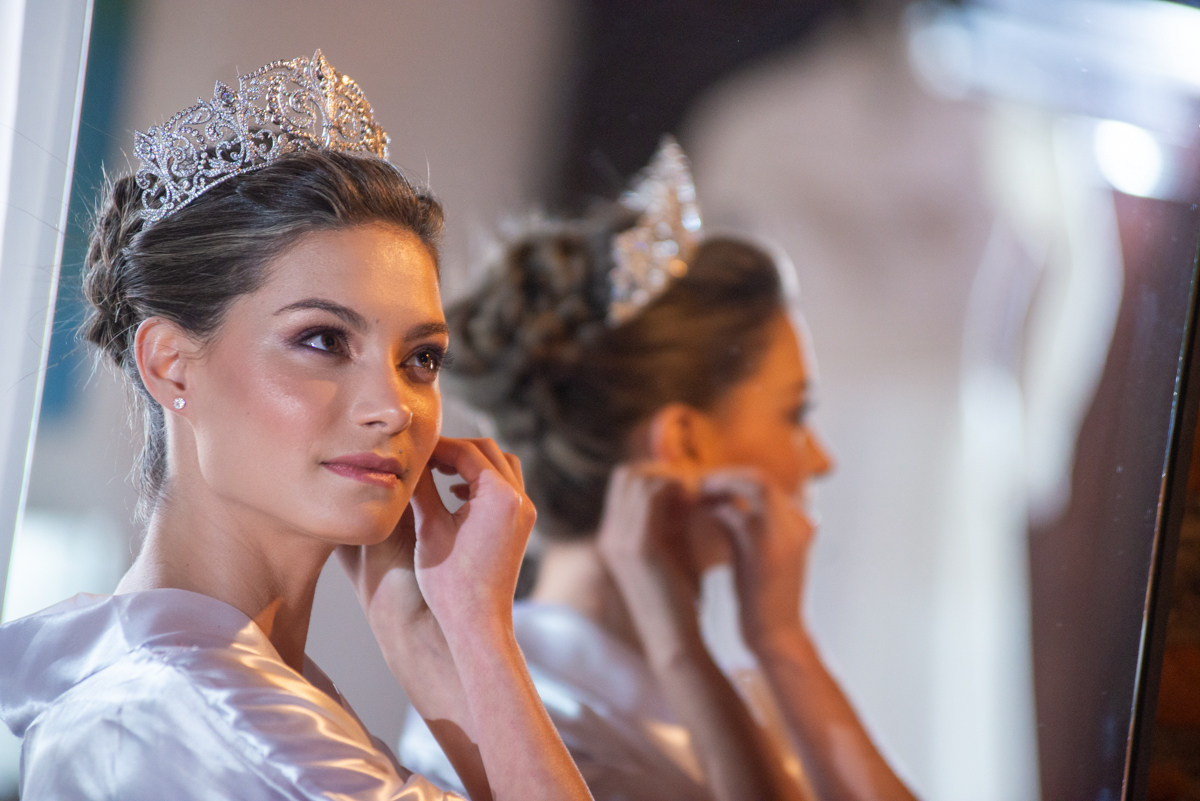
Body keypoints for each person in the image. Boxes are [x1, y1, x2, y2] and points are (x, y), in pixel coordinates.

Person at [0, 51, 593, 801]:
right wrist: (479, 636)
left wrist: (423, 631)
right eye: (323, 340)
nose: (393, 406)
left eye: (421, 357)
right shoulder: (185, 716)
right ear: (171, 366)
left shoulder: (247, 687)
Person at [399, 140, 920, 801]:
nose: (819, 458)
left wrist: (780, 640)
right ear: (683, 441)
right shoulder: (525, 714)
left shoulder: (743, 695)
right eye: (794, 414)